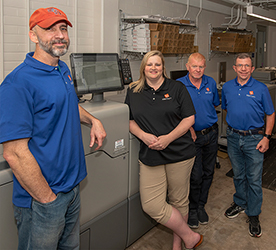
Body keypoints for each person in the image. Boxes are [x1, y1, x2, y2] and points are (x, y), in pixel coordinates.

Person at [0, 7, 106, 249]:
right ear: (33, 35)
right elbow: (13, 152)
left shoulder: (62, 69)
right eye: (49, 29)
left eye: (63, 28)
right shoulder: (18, 83)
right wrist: (47, 199)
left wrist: (93, 120)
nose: (60, 35)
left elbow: (68, 105)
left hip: (71, 190)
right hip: (42, 199)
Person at [124, 50, 203, 250]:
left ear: (163, 68)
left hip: (179, 153)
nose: (153, 68)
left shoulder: (176, 88)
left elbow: (189, 119)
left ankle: (178, 245)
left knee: (179, 200)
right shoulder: (133, 90)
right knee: (151, 205)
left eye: (157, 64)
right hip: (150, 153)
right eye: (149, 64)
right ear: (143, 67)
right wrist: (143, 135)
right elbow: (130, 120)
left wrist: (168, 138)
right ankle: (189, 236)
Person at [221, 53, 275, 237]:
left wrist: (266, 137)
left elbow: (270, 113)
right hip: (234, 137)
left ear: (252, 69)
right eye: (240, 65)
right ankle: (240, 202)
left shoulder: (261, 89)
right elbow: (226, 107)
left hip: (255, 139)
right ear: (234, 68)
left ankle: (253, 214)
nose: (243, 69)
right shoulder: (227, 87)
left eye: (247, 66)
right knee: (238, 174)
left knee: (253, 178)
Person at [177, 53, 220, 228]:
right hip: (191, 137)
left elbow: (214, 104)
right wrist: (189, 127)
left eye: (201, 66)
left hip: (211, 134)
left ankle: (201, 205)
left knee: (209, 172)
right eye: (194, 66)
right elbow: (174, 111)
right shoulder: (179, 85)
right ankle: (192, 209)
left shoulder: (210, 83)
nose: (198, 70)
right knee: (195, 175)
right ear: (187, 66)